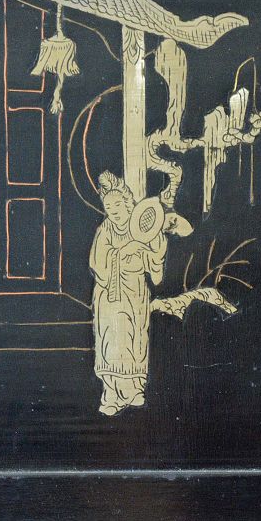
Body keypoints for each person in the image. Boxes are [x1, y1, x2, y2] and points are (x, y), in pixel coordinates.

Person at [89, 173, 167, 416]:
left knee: (136, 339)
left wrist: (153, 249)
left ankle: (134, 389)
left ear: (128, 203)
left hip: (135, 294)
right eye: (108, 207)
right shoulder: (105, 230)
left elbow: (156, 271)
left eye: (117, 205)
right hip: (110, 296)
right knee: (113, 340)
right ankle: (112, 393)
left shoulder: (142, 228)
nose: (113, 211)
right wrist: (122, 252)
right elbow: (98, 264)